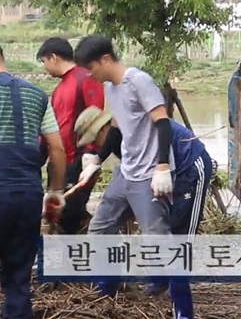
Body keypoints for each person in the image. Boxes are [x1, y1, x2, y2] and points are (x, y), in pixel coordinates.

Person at [73, 35, 201, 319]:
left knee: (159, 239)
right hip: (126, 172)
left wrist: (163, 166)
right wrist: (97, 159)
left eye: (91, 67)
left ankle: (183, 308)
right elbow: (118, 129)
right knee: (100, 228)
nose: (90, 75)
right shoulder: (110, 88)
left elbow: (163, 124)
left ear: (105, 59)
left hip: (147, 175)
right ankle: (105, 290)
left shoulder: (138, 81)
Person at [74, 105, 213, 297]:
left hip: (187, 165)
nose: (96, 146)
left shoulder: (134, 127)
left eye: (95, 140)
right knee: (104, 227)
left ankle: (176, 283)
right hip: (150, 171)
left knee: (179, 227)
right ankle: (108, 282)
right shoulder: (115, 141)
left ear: (104, 129)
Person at [0, 43, 67, 319]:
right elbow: (57, 150)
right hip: (26, 195)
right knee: (19, 276)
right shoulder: (37, 94)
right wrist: (55, 192)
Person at [36, 37, 106, 235]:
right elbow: (53, 126)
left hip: (76, 160)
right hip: (59, 161)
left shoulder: (85, 78)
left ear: (53, 57)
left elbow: (95, 118)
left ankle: (78, 257)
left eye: (44, 61)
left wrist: (90, 155)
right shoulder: (59, 89)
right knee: (55, 213)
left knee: (70, 215)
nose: (45, 68)